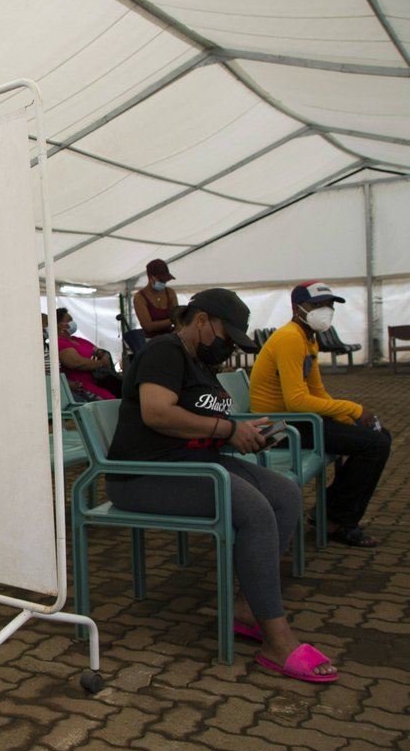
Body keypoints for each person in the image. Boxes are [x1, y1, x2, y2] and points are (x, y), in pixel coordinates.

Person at [105, 288, 336, 684]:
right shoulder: (164, 352)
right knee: (254, 510)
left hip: (193, 464)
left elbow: (205, 419)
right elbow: (157, 412)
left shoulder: (200, 364)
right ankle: (277, 641)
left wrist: (248, 432)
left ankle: (248, 606)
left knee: (284, 495)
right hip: (144, 474)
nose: (228, 346)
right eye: (227, 336)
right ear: (201, 320)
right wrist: (227, 429)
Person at [249, 281, 391, 548]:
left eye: (329, 305)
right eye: (317, 305)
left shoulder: (307, 339)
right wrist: (353, 409)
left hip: (298, 421)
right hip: (277, 428)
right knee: (376, 444)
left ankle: (331, 512)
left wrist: (344, 417)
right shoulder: (290, 338)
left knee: (379, 436)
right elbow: (296, 401)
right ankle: (337, 519)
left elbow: (317, 391)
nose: (325, 310)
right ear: (296, 308)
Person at [56, 307, 121, 399]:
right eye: (69, 320)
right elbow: (77, 363)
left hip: (99, 382)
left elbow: (100, 352)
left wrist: (101, 356)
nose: (72, 322)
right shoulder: (59, 342)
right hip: (81, 386)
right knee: (111, 401)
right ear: (59, 325)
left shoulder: (78, 340)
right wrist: (101, 363)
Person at [133, 258, 180, 338]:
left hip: (171, 338)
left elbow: (177, 318)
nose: (164, 282)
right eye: (161, 280)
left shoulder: (170, 293)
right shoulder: (139, 298)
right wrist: (173, 320)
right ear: (150, 276)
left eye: (166, 280)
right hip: (152, 342)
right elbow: (148, 326)